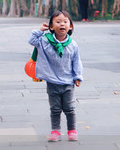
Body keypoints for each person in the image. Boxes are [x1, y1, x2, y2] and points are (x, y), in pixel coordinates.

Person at [28, 10, 83, 142]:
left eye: (65, 22)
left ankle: (72, 130)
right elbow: (32, 40)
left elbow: (77, 61)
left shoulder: (73, 45)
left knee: (69, 109)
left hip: (68, 82)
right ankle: (55, 131)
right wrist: (40, 30)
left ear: (70, 26)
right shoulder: (44, 41)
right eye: (58, 22)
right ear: (51, 27)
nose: (62, 24)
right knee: (55, 109)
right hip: (52, 81)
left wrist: (78, 76)